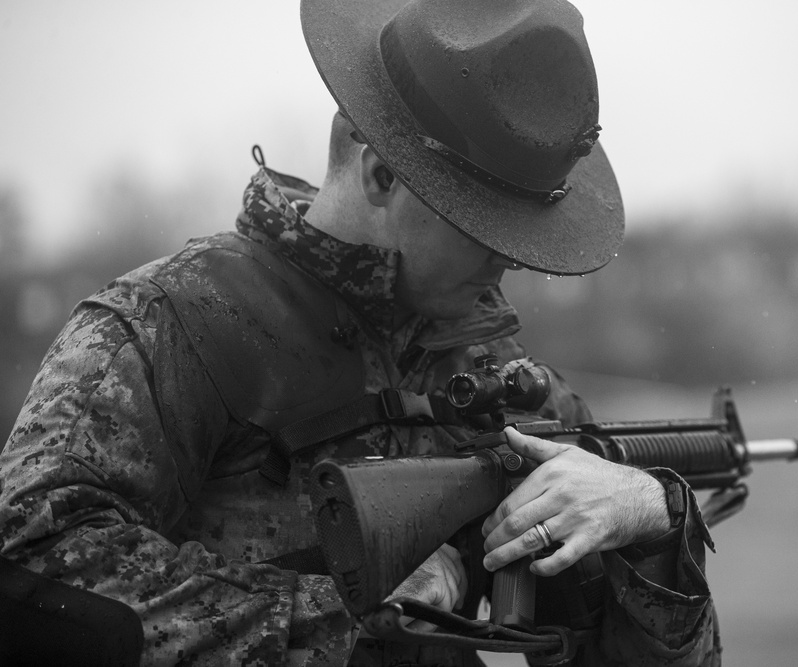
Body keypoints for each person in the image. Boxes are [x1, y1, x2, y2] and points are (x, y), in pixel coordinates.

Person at [0, 0, 720, 665]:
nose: (514, 257)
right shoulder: (168, 323)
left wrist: (651, 526)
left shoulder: (504, 375)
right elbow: (32, 565)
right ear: (381, 177)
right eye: (486, 225)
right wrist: (350, 618)